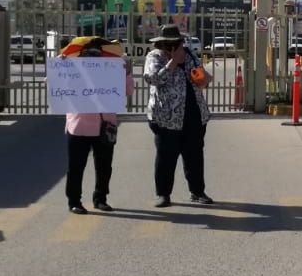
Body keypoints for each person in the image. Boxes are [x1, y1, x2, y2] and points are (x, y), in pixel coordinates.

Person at [144, 24, 214, 208]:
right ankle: (163, 194)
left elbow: (200, 78)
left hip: (194, 114)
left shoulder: (189, 54)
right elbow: (153, 79)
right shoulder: (155, 56)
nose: (174, 46)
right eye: (170, 43)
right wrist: (173, 62)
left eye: (177, 42)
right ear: (162, 43)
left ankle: (197, 192)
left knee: (194, 156)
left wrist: (203, 78)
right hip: (166, 118)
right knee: (166, 158)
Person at [61, 37, 133, 214]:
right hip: (78, 125)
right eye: (88, 52)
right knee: (75, 167)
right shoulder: (71, 67)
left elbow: (128, 91)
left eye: (96, 52)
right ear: (81, 54)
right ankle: (74, 201)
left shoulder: (111, 68)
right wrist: (60, 64)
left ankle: (100, 198)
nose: (92, 56)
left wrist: (126, 73)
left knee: (104, 166)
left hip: (104, 125)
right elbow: (53, 83)